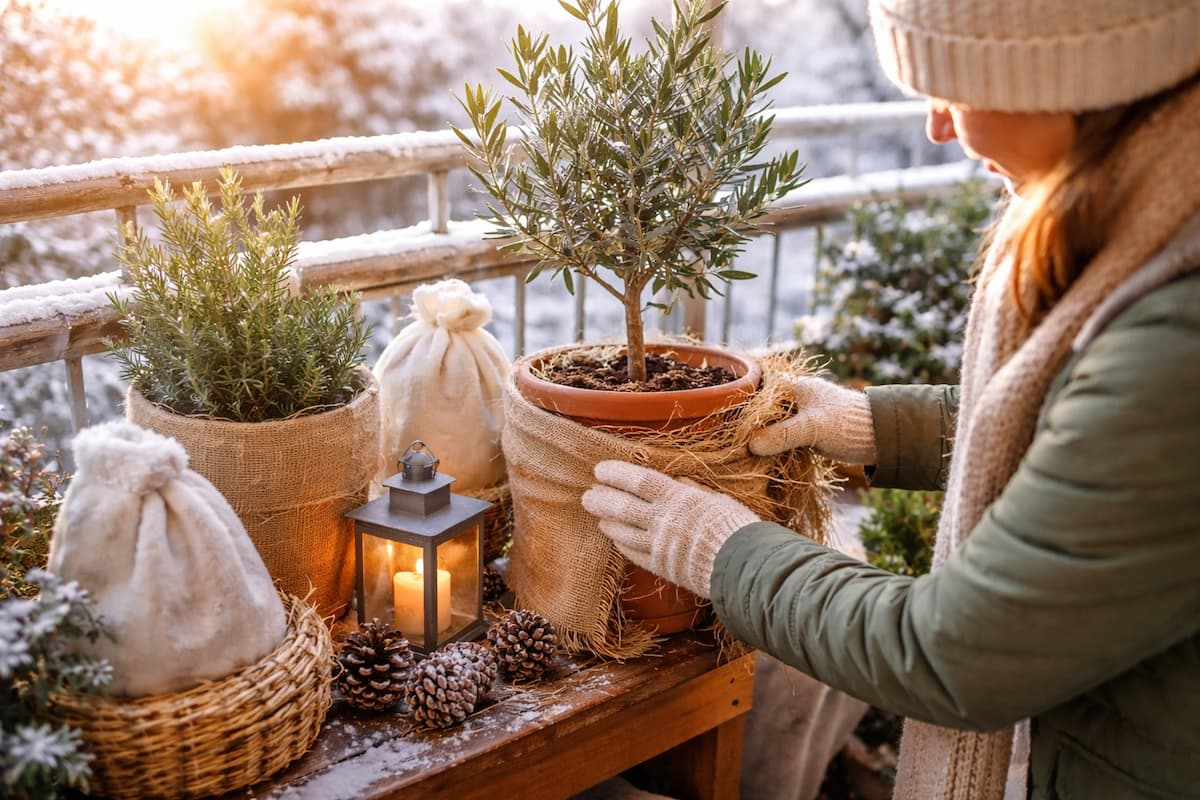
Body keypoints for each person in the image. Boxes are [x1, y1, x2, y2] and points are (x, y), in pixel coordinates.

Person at [581, 1, 1200, 798]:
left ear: (1062, 80)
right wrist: (874, 426)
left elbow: (950, 656)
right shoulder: (1159, 225)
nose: (939, 127)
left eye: (954, 88)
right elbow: (1090, 443)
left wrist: (721, 549)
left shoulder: (1176, 340)